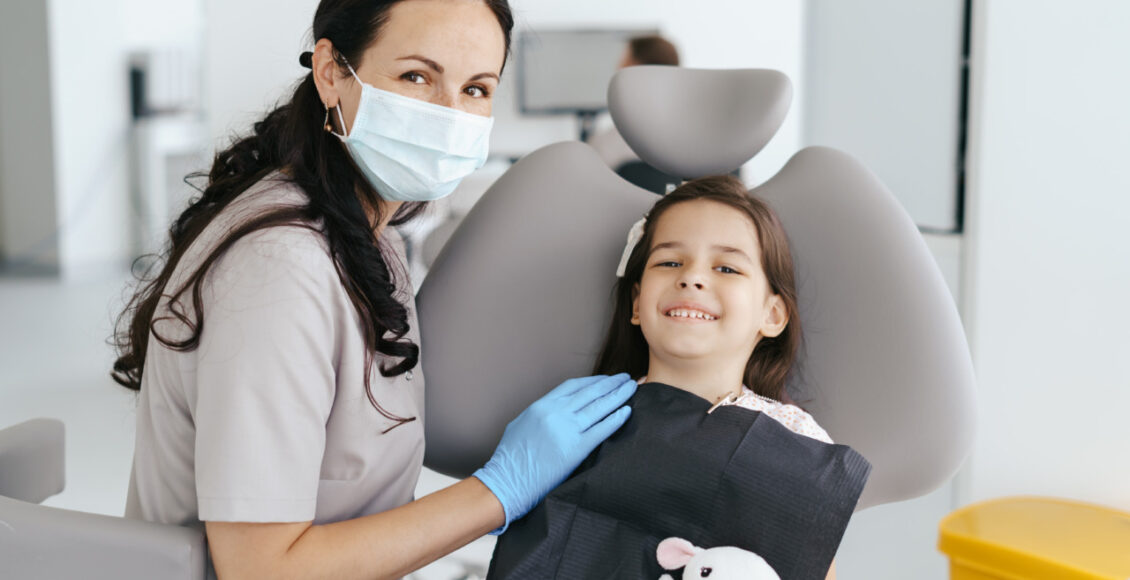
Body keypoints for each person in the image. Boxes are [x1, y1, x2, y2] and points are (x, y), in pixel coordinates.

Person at [111, 1, 636, 578]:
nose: (450, 113)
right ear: (332, 70)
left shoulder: (363, 233)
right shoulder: (280, 267)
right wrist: (498, 492)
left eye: (477, 89)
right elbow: (261, 569)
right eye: (417, 76)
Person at [487, 175, 870, 579]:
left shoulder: (794, 438)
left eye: (726, 267)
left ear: (771, 314)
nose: (692, 278)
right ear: (637, 303)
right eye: (670, 262)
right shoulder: (583, 419)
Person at [588, 34, 681, 192]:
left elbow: (589, 185)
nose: (617, 67)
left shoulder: (607, 144)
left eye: (624, 60)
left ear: (633, 69)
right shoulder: (696, 140)